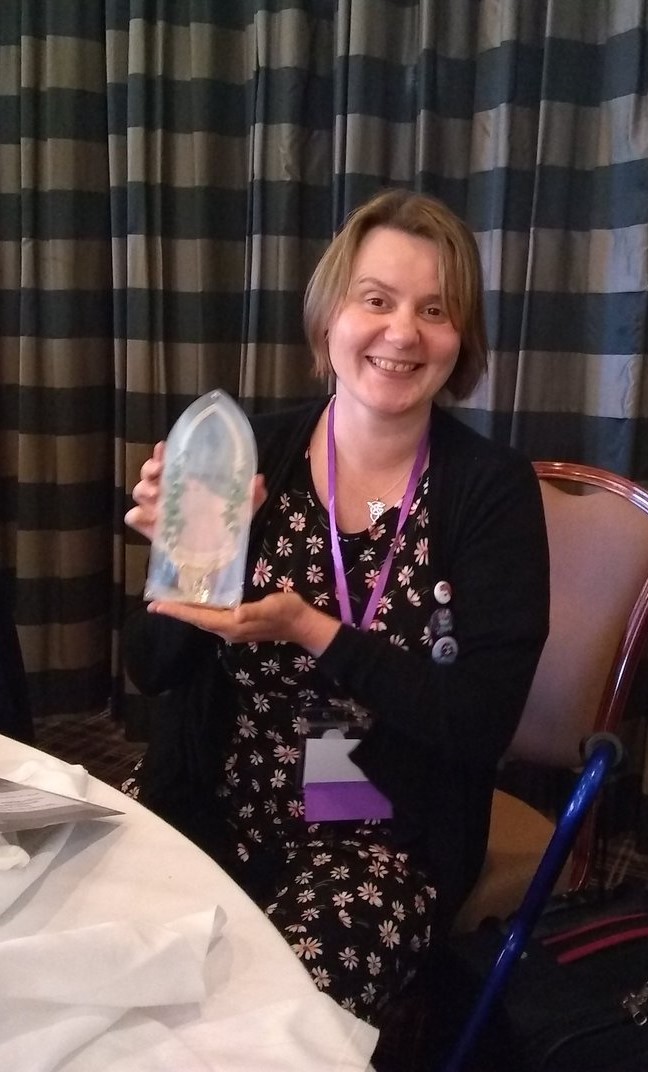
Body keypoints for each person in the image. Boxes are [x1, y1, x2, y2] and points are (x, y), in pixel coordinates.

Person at [122, 188, 550, 1025]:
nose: (402, 332)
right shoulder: (249, 450)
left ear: (459, 341)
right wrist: (184, 565)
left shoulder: (490, 492)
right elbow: (153, 667)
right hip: (209, 788)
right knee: (95, 957)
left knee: (253, 1026)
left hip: (380, 832)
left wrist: (310, 628)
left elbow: (477, 723)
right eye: (377, 300)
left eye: (435, 310)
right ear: (330, 320)